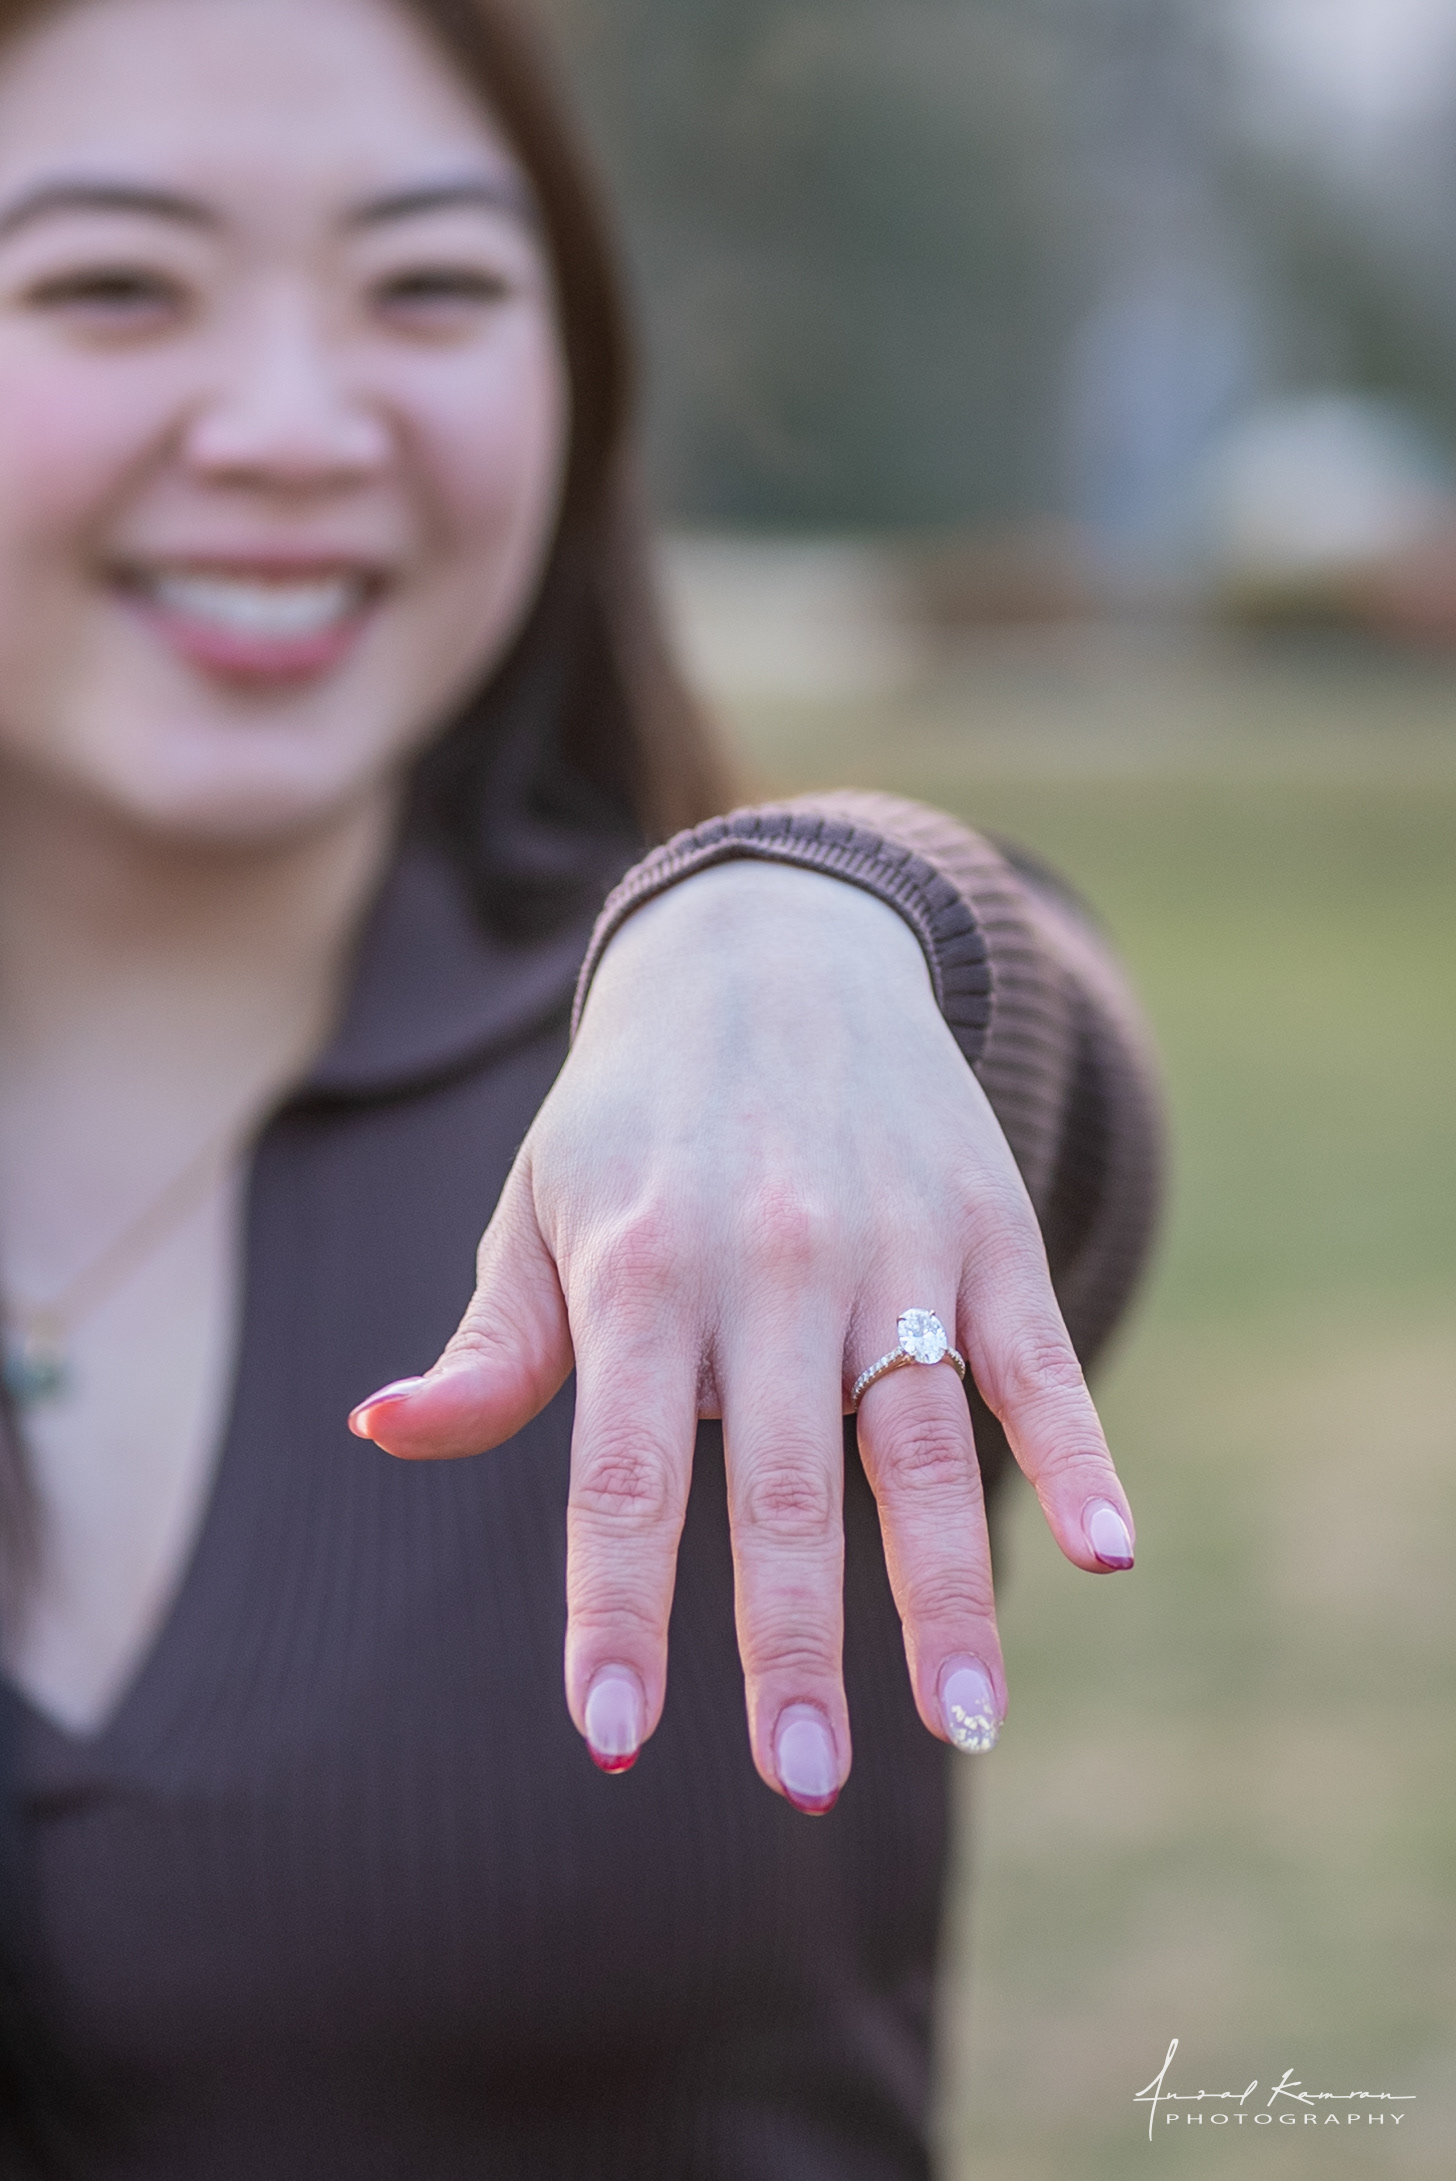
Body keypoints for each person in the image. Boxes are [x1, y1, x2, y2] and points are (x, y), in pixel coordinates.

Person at [0, 0, 1163, 2172]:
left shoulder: (720, 1150)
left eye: (429, 284)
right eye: (110, 284)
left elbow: (1058, 1057)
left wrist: (810, 914)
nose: (287, 423)